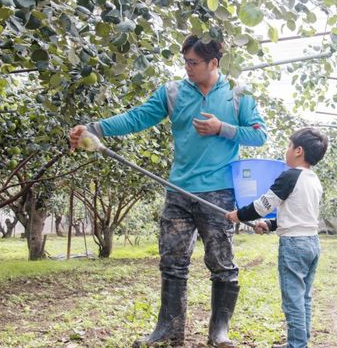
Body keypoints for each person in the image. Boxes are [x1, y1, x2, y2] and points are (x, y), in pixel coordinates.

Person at [69, 35, 267, 348]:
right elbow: (138, 117)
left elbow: (259, 137)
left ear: (214, 63)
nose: (187, 68)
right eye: (185, 61)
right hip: (178, 190)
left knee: (221, 262)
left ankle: (219, 333)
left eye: (194, 63)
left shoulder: (238, 95)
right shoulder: (173, 92)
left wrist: (222, 129)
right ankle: (169, 331)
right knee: (172, 261)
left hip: (218, 193)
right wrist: (96, 128)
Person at [225, 127, 328, 348]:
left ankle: (296, 345)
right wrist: (270, 225)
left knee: (293, 300)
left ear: (298, 150)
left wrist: (238, 215)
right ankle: (300, 340)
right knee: (304, 296)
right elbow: (297, 214)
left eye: (289, 145)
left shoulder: (290, 175)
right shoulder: (314, 180)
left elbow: (263, 205)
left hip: (294, 245)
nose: (286, 150)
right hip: (311, 242)